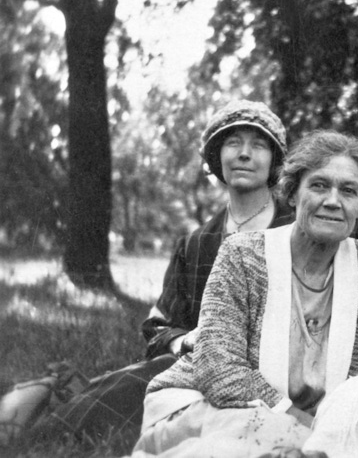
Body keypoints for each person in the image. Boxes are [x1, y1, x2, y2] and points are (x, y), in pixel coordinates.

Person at [27, 100, 294, 443]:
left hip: (279, 376)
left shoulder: (295, 231)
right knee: (130, 384)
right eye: (232, 143)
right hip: (198, 371)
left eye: (258, 145)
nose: (244, 154)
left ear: (273, 160)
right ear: (216, 156)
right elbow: (159, 326)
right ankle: (40, 425)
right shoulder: (195, 244)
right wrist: (185, 339)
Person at [131, 130, 358, 457]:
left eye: (348, 191)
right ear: (292, 194)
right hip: (209, 404)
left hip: (312, 425)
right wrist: (309, 427)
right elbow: (220, 371)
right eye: (318, 185)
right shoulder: (243, 255)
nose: (333, 201)